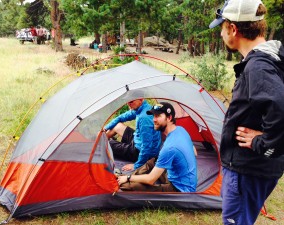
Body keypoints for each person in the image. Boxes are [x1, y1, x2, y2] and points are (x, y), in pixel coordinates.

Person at [209, 0, 284, 224]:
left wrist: (264, 144)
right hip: (255, 169)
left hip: (246, 170)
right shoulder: (272, 59)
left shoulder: (258, 66)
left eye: (222, 27)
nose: (221, 34)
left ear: (233, 28)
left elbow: (280, 108)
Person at [117, 102, 197, 192]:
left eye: (158, 116)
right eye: (153, 116)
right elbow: (194, 152)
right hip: (180, 176)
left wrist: (128, 178)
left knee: (126, 185)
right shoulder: (181, 130)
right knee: (153, 161)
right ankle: (130, 176)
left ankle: (127, 177)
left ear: (169, 118)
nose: (154, 120)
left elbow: (150, 180)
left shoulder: (169, 148)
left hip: (180, 188)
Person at [104, 99, 161, 171]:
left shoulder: (144, 118)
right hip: (138, 140)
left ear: (140, 99)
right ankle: (98, 140)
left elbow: (147, 146)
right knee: (118, 126)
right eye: (127, 101)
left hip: (140, 151)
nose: (128, 104)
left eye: (131, 102)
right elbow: (122, 117)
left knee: (107, 144)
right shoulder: (143, 108)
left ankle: (97, 144)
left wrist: (137, 165)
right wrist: (106, 127)